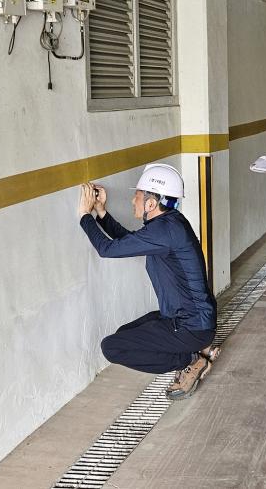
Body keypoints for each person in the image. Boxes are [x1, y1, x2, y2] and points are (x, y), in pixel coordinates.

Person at [77, 163, 220, 400]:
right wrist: (100, 213)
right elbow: (129, 241)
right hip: (189, 319)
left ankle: (192, 360)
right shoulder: (169, 223)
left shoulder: (164, 231)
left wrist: (84, 215)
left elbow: (107, 249)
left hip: (191, 325)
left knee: (112, 347)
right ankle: (194, 350)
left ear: (151, 203)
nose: (133, 201)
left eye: (137, 196)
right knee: (126, 334)